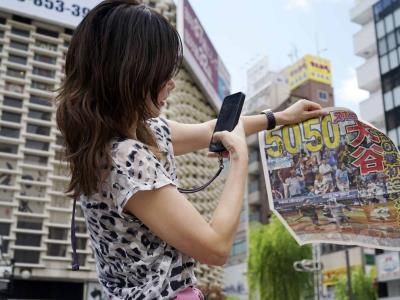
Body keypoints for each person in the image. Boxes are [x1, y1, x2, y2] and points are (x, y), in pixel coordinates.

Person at [55, 1, 326, 299]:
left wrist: (280, 117)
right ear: (131, 73)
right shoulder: (124, 159)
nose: (171, 83)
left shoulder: (131, 137)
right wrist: (239, 160)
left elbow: (212, 130)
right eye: (162, 72)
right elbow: (216, 247)